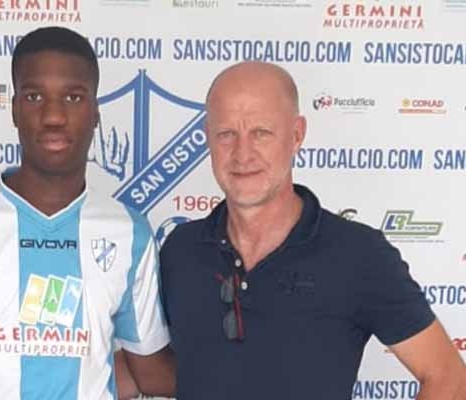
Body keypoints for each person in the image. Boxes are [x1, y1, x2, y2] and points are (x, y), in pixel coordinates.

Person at [0, 26, 174, 400]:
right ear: (14, 110)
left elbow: (150, 371)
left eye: (73, 97)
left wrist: (245, 364)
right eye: (34, 96)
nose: (53, 116)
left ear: (95, 113)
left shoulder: (129, 232)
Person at [159, 61, 466, 399]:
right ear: (208, 137)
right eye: (226, 134)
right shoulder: (179, 250)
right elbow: (169, 371)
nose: (242, 154)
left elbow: (449, 380)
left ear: (296, 135)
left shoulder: (358, 254)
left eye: (261, 132)